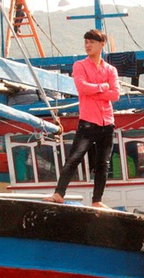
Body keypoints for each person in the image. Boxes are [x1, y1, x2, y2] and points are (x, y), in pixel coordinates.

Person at [44, 30, 119, 208]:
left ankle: (97, 200)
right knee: (74, 158)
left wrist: (97, 92)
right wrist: (103, 87)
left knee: (103, 163)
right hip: (88, 121)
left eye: (91, 42)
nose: (87, 45)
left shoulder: (111, 69)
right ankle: (59, 193)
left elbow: (115, 94)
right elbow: (82, 88)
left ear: (102, 44)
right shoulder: (80, 66)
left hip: (107, 122)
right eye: (86, 42)